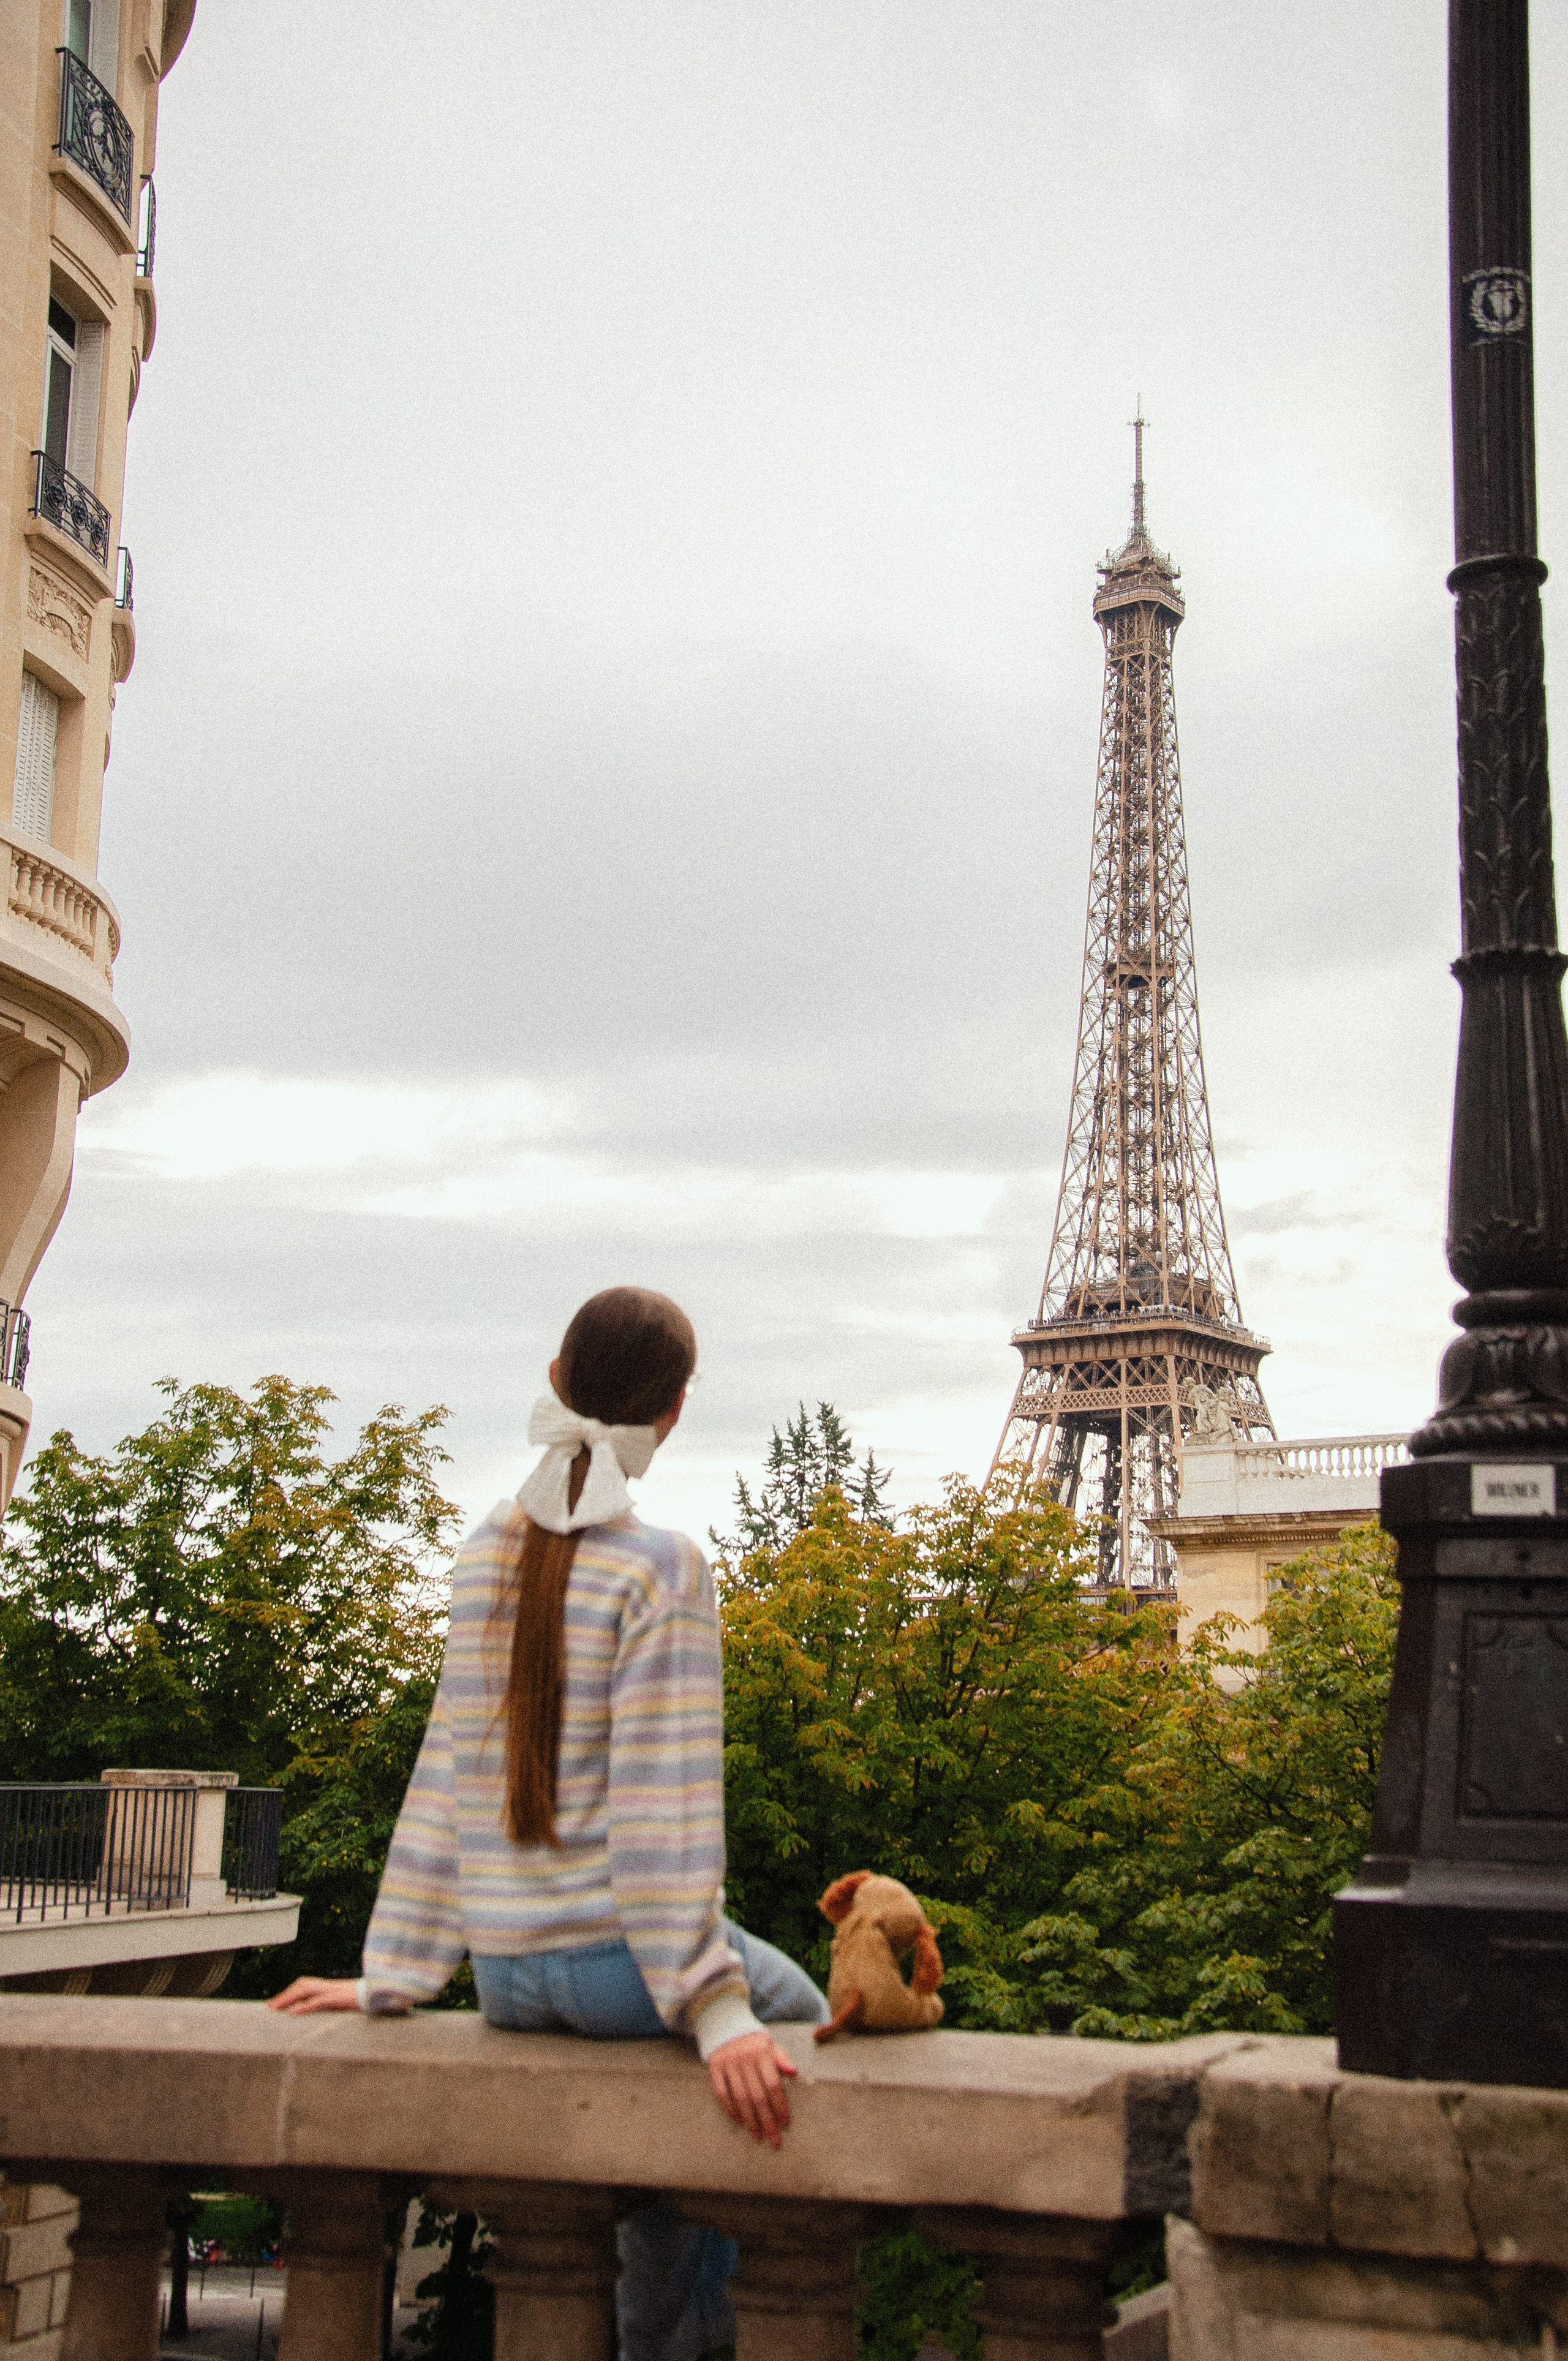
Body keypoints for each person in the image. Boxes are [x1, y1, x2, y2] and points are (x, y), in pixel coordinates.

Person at [270, 1284, 828, 2359]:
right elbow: (664, 1813)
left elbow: (446, 1778)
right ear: (670, 1414)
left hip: (513, 1977)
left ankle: (654, 2317)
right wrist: (712, 2008)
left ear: (559, 1382)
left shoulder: (490, 1547)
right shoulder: (665, 1569)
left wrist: (395, 1972)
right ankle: (677, 2342)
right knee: (792, 2019)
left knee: (701, 2100)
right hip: (617, 1967)